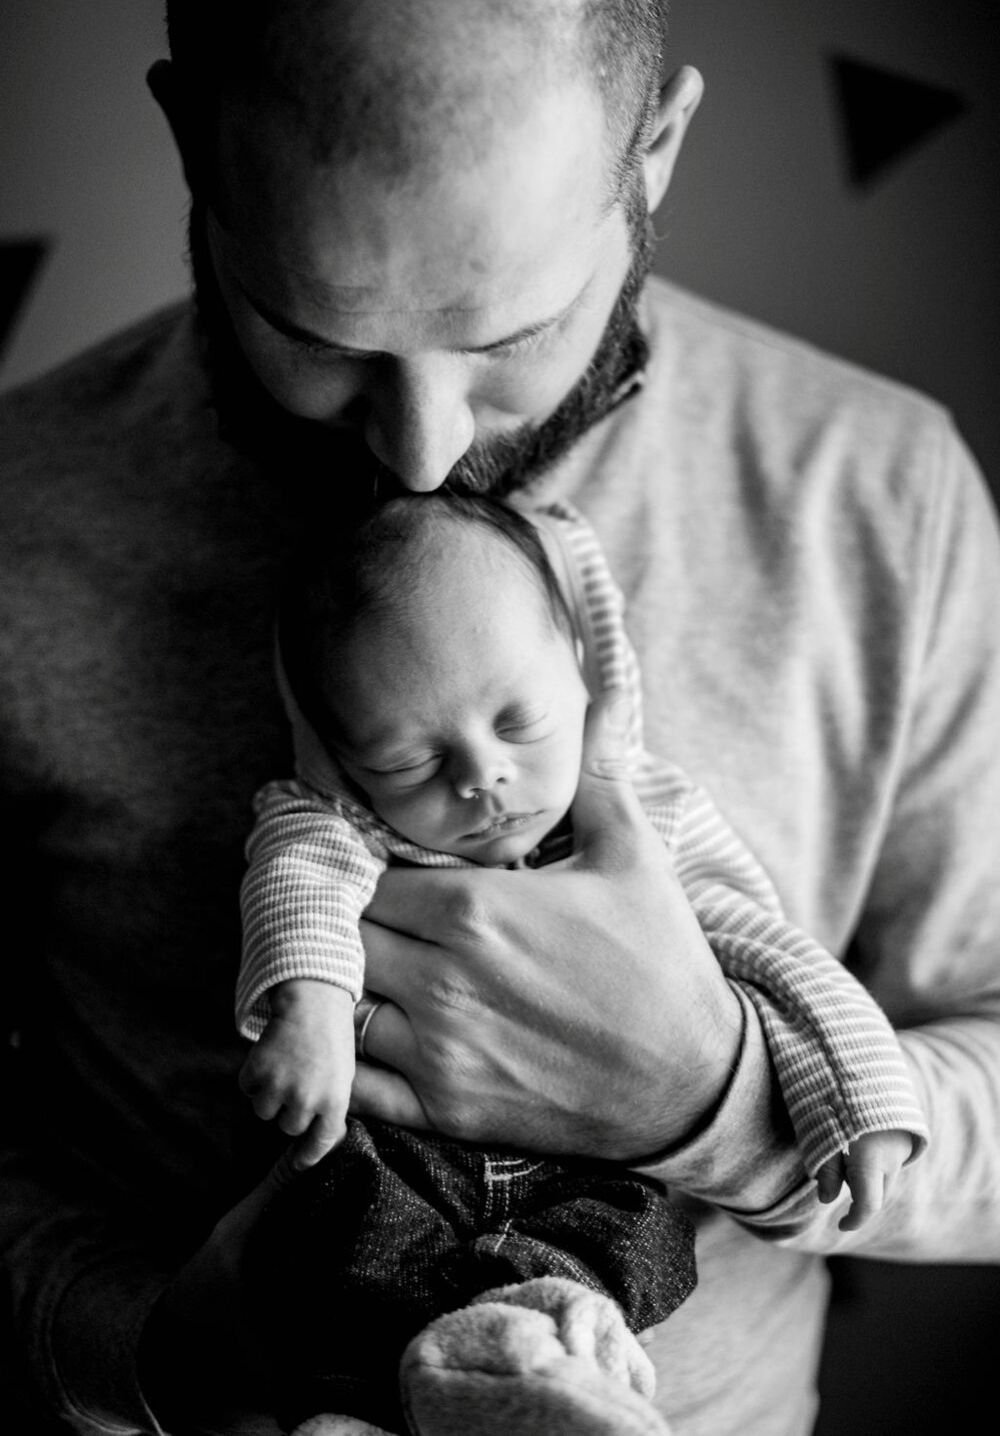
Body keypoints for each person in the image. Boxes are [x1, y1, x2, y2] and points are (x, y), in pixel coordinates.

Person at [0, 0, 998, 1435]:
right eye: (314, 333)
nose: (412, 451)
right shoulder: (19, 514)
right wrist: (145, 1346)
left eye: (507, 335)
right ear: (189, 141)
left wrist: (711, 1098)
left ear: (652, 152)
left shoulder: (881, 495)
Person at [234, 490, 923, 1434]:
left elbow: (774, 961)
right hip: (402, 1161)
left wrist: (861, 1101)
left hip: (596, 1185)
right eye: (405, 761)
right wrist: (308, 1012)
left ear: (587, 675)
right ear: (344, 762)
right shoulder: (339, 827)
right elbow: (297, 889)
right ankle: (366, 1406)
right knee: (342, 1228)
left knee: (642, 1243)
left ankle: (558, 1370)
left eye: (519, 722)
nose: (479, 776)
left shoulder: (656, 826)